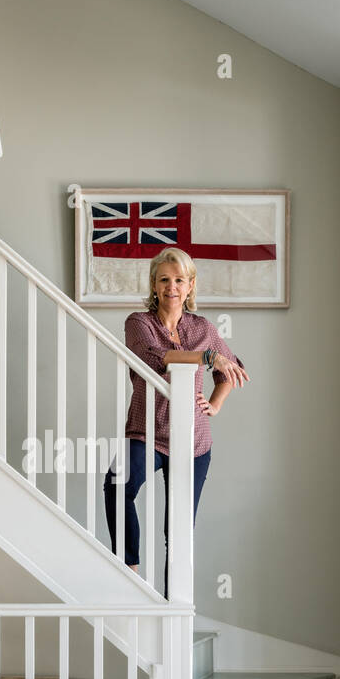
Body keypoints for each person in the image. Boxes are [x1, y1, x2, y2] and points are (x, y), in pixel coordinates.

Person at [104, 247, 248, 594]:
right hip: (147, 431)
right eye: (164, 279)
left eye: (179, 280)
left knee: (178, 529)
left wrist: (215, 403)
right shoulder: (139, 323)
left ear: (190, 286)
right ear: (154, 284)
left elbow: (232, 368)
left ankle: (173, 606)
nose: (172, 286)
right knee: (117, 486)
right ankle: (130, 570)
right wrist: (206, 357)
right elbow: (151, 356)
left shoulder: (202, 328)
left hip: (194, 442)